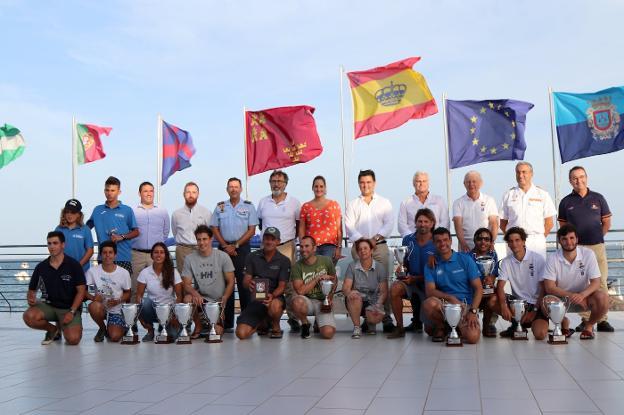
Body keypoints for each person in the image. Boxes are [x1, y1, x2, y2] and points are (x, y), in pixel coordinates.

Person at [558, 166, 614, 332]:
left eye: (581, 177)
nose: (578, 180)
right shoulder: (566, 202)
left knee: (601, 282)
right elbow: (564, 228)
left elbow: (607, 223)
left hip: (596, 247)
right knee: (583, 285)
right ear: (570, 181)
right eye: (575, 178)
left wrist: (597, 237)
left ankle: (602, 320)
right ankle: (585, 320)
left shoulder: (598, 198)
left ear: (586, 178)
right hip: (577, 250)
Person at [344, 169, 395, 332]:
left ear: (374, 183)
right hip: (359, 248)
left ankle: (386, 316)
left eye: (368, 182)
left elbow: (389, 224)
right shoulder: (353, 204)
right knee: (362, 283)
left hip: (379, 246)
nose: (365, 185)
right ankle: (367, 317)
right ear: (359, 184)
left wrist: (374, 239)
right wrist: (364, 242)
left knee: (382, 282)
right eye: (362, 182)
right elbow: (349, 226)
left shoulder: (384, 202)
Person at [543, 224, 609, 340]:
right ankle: (563, 322)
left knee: (603, 298)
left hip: (584, 298)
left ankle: (588, 326)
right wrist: (573, 296)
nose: (569, 242)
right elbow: (550, 287)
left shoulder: (588, 254)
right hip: (562, 299)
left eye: (571, 238)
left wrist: (582, 295)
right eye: (564, 239)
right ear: (559, 241)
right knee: (545, 302)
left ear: (577, 239)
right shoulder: (552, 258)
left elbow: (596, 282)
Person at [210, 177, 258, 331]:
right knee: (225, 286)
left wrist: (236, 245)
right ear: (227, 189)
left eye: (236, 187)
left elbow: (252, 230)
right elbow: (214, 227)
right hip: (224, 249)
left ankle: (246, 320)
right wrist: (225, 245)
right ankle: (227, 321)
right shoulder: (220, 207)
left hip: (242, 249)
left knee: (244, 285)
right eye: (231, 187)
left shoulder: (249, 207)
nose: (233, 189)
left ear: (241, 189)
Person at [23, 231, 86, 345]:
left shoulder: (74, 265)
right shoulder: (41, 267)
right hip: (49, 306)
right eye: (49, 243)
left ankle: (68, 324)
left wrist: (72, 312)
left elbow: (81, 292)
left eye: (55, 243)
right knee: (28, 316)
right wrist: (30, 298)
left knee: (73, 340)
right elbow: (31, 290)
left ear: (63, 245)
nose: (51, 246)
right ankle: (53, 330)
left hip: (69, 308)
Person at [256, 170, 301, 332]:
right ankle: (264, 319)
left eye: (279, 181)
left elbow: (298, 225)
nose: (276, 184)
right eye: (273, 181)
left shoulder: (295, 203)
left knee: (289, 284)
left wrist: (288, 241)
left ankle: (293, 318)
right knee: (263, 283)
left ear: (286, 184)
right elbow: (261, 225)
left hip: (286, 246)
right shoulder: (262, 202)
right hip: (266, 247)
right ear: (269, 183)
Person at [422, 227, 482, 344]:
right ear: (434, 243)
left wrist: (473, 311)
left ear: (450, 241)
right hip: (445, 305)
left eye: (445, 240)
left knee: (473, 337)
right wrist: (450, 298)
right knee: (429, 303)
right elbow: (430, 291)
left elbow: (478, 288)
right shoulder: (430, 264)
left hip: (464, 306)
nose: (442, 243)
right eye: (438, 241)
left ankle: (456, 328)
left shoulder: (465, 260)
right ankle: (442, 326)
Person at [387, 208, 436, 338]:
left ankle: (426, 322)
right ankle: (399, 327)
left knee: (431, 330)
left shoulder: (438, 241)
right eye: (420, 221)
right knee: (395, 288)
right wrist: (402, 269)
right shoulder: (408, 240)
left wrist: (415, 279)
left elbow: (438, 271)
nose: (423, 224)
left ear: (432, 223)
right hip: (411, 281)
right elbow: (406, 263)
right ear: (415, 223)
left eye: (426, 221)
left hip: (430, 284)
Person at [236, 227, 290, 340]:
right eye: (266, 238)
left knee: (275, 305)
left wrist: (272, 295)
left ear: (278, 242)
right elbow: (245, 282)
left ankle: (275, 327)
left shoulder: (284, 260)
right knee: (241, 334)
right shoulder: (251, 256)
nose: (269, 242)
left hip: (274, 298)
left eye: (272, 239)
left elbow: (282, 286)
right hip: (256, 300)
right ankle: (262, 323)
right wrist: (249, 283)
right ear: (262, 240)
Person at [494, 227, 548, 340]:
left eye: (517, 240)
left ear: (523, 241)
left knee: (540, 334)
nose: (514, 244)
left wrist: (534, 311)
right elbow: (500, 287)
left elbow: (544, 288)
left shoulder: (538, 259)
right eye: (511, 241)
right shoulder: (506, 262)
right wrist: (504, 306)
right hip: (517, 305)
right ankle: (517, 325)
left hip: (536, 305)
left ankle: (522, 324)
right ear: (508, 244)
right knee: (492, 300)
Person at [181, 225, 235, 339]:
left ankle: (213, 323)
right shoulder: (189, 259)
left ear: (211, 239)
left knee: (218, 332)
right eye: (199, 239)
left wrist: (225, 298)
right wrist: (195, 293)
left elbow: (231, 281)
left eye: (204, 239)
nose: (201, 243)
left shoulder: (223, 256)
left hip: (218, 302)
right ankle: (199, 326)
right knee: (187, 298)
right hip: (201, 299)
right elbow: (186, 284)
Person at [500, 162, 556, 259]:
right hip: (514, 242)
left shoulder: (542, 194)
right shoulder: (508, 195)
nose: (520, 175)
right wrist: (512, 238)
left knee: (538, 272)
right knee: (515, 271)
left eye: (524, 172)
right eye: (518, 172)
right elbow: (502, 223)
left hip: (535, 241)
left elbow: (549, 223)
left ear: (531, 174)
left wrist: (540, 238)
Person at [87, 176, 139, 274]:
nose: (109, 193)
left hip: (123, 258)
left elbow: (136, 232)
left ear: (119, 192)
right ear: (104, 191)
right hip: (103, 258)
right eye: (107, 190)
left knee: (125, 289)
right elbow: (86, 228)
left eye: (113, 190)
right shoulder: (97, 210)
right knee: (102, 288)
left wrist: (122, 237)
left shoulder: (127, 210)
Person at [290, 236, 338, 339]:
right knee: (297, 301)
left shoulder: (326, 261)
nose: (303, 249)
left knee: (328, 333)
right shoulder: (297, 266)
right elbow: (300, 290)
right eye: (301, 246)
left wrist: (329, 297)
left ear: (314, 248)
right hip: (307, 302)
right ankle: (305, 324)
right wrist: (317, 279)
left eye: (307, 246)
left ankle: (319, 323)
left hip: (322, 301)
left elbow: (334, 280)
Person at [136, 242, 183, 341]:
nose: (158, 255)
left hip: (169, 311)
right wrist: (139, 316)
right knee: (145, 303)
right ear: (152, 255)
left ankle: (164, 326)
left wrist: (175, 315)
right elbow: (139, 296)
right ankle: (150, 330)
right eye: (156, 252)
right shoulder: (145, 272)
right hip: (152, 309)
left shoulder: (173, 272)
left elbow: (179, 295)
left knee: (172, 336)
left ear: (166, 255)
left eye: (162, 252)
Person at [85, 241, 131, 342]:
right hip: (101, 308)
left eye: (110, 252)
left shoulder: (124, 273)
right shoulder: (92, 271)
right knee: (93, 306)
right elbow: (83, 291)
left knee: (114, 337)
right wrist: (93, 298)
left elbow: (128, 293)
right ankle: (102, 328)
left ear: (115, 255)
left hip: (117, 309)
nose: (107, 255)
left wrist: (117, 301)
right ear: (100, 255)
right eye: (104, 253)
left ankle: (122, 325)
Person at [342, 238, 388, 339]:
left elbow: (384, 292)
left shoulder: (380, 267)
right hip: (357, 300)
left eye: (365, 248)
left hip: (373, 301)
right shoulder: (352, 266)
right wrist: (350, 292)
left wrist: (378, 305)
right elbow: (345, 288)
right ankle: (357, 327)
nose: (363, 251)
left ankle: (370, 323)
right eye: (360, 249)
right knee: (354, 296)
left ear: (371, 250)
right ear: (357, 253)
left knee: (374, 316)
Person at [131, 181, 170, 297]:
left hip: (156, 256)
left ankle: (159, 314)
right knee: (135, 289)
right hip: (136, 255)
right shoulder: (133, 211)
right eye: (145, 191)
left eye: (151, 191)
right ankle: (135, 315)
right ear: (139, 193)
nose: (149, 194)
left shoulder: (162, 211)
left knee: (159, 288)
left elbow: (166, 231)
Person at [298, 175, 343, 263]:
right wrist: (303, 246)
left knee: (325, 273)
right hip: (311, 247)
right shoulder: (306, 206)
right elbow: (301, 229)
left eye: (321, 186)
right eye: (316, 186)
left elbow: (339, 229)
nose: (319, 189)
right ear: (312, 188)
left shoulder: (334, 205)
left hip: (329, 246)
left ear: (325, 188)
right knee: (311, 274)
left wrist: (339, 247)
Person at [452, 171, 499, 252]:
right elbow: (458, 225)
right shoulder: (458, 203)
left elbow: (494, 223)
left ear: (481, 183)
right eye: (468, 182)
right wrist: (463, 243)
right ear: (464, 184)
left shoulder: (489, 200)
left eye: (474, 181)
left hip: (485, 245)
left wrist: (491, 242)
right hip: (466, 246)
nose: (471, 184)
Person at [171, 181, 212, 274]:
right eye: (188, 192)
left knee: (202, 279)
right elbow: (175, 232)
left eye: (194, 192)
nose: (191, 195)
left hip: (201, 249)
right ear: (183, 194)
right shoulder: (176, 214)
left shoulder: (206, 212)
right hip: (182, 250)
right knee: (183, 279)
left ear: (198, 194)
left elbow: (210, 233)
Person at [398, 171, 449, 237]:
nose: (421, 183)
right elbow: (401, 225)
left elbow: (445, 221)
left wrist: (437, 236)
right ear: (413, 183)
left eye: (424, 181)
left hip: (435, 241)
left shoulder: (439, 200)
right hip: (413, 242)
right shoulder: (405, 203)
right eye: (418, 181)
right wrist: (412, 238)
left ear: (428, 183)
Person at [469, 228, 500, 337]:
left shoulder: (493, 255)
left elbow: (493, 275)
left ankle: (488, 324)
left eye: (487, 239)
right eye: (480, 239)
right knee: (471, 333)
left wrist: (490, 280)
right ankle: (471, 319)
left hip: (486, 292)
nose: (483, 242)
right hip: (472, 293)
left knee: (494, 295)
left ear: (491, 242)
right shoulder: (467, 257)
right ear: (474, 240)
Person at [55, 198, 94, 272]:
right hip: (63, 270)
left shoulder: (85, 229)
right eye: (67, 212)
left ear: (79, 214)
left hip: (82, 270)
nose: (69, 215)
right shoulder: (59, 229)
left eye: (73, 212)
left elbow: (90, 251)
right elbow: (55, 248)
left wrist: (78, 266)